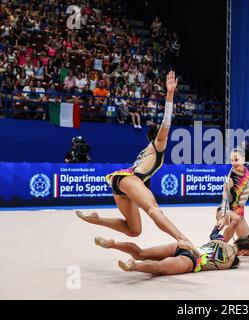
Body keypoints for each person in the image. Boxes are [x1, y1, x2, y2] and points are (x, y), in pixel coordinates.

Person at [76, 71, 198, 255]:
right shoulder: (158, 145)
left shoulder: (146, 150)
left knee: (134, 230)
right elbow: (166, 122)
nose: (166, 136)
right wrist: (170, 93)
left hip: (121, 183)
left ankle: (97, 219)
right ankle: (182, 239)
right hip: (129, 179)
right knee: (153, 209)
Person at [95, 227, 249, 276]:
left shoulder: (218, 239)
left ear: (235, 240)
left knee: (141, 252)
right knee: (159, 268)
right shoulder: (235, 261)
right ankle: (133, 266)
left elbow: (216, 230)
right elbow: (238, 256)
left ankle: (113, 244)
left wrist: (220, 220)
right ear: (243, 252)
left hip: (182, 247)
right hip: (192, 261)